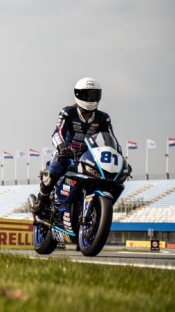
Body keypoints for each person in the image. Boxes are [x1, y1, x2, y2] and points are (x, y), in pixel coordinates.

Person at [31, 77, 119, 215]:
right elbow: (57, 132)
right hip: (66, 153)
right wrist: (61, 147)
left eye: (94, 94)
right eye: (87, 95)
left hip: (89, 156)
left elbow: (111, 138)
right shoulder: (68, 112)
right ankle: (41, 200)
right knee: (52, 173)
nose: (90, 98)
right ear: (78, 94)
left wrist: (118, 156)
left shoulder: (103, 118)